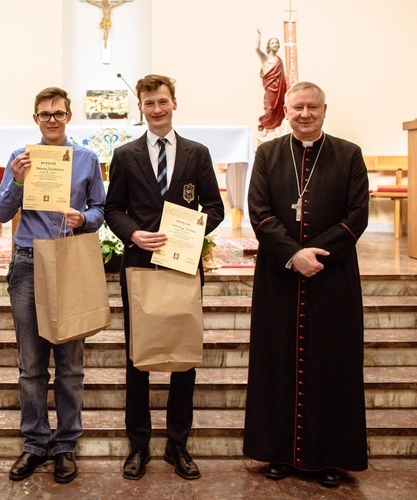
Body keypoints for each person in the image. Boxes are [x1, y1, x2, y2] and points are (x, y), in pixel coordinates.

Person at [243, 81, 369, 488]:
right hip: (279, 276)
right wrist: (293, 253)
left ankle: (329, 456)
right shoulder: (268, 153)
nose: (304, 114)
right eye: (297, 107)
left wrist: (315, 252)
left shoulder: (348, 154)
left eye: (312, 107)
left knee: (333, 363)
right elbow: (259, 212)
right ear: (288, 110)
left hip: (332, 277)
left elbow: (358, 215)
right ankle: (277, 452)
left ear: (325, 110)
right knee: (277, 361)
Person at [104, 74, 224, 481]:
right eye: (149, 103)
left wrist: (190, 234)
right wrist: (133, 232)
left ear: (174, 103)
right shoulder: (125, 155)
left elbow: (216, 208)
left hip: (182, 266)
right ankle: (139, 445)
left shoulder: (197, 153)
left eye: (163, 102)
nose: (157, 109)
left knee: (182, 357)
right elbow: (112, 208)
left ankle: (178, 444)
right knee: (138, 358)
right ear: (140, 107)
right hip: (139, 265)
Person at [0, 87, 105, 484]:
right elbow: (2, 211)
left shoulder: (87, 159)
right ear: (36, 119)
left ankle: (66, 444)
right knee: (31, 362)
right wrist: (19, 182)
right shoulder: (20, 159)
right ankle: (35, 442)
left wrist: (84, 219)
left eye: (59, 113)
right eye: (45, 114)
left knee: (71, 364)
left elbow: (100, 210)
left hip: (69, 261)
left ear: (69, 116)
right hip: (27, 261)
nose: (52, 119)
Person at [256, 28, 287, 133]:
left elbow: (282, 76)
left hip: (280, 88)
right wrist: (259, 35)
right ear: (269, 45)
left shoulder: (279, 60)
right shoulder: (265, 58)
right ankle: (266, 127)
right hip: (271, 88)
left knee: (279, 108)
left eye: (276, 43)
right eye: (272, 43)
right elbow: (256, 49)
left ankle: (276, 127)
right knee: (270, 107)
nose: (274, 44)